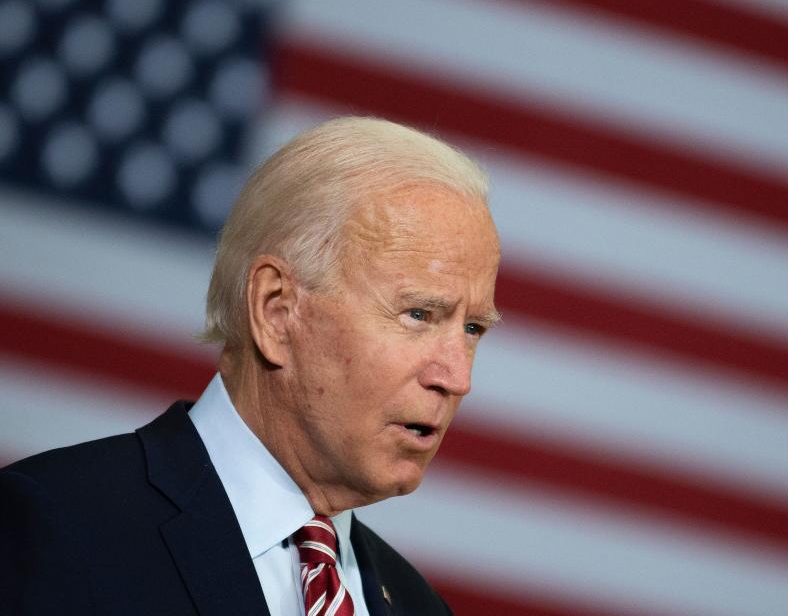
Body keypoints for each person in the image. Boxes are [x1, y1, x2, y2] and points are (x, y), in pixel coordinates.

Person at [0, 117, 501, 615]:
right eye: (418, 314)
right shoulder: (59, 526)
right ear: (277, 310)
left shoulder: (418, 606)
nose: (458, 378)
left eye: (473, 329)